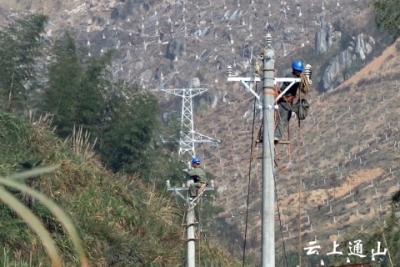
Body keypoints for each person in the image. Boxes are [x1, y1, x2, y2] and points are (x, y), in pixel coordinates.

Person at [274, 60, 304, 142]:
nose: (299, 72)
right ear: (294, 70)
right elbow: (293, 83)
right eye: (298, 70)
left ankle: (276, 136)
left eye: (300, 71)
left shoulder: (298, 78)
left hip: (288, 103)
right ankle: (266, 134)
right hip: (281, 101)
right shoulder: (289, 76)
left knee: (284, 120)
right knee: (273, 118)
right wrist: (300, 82)